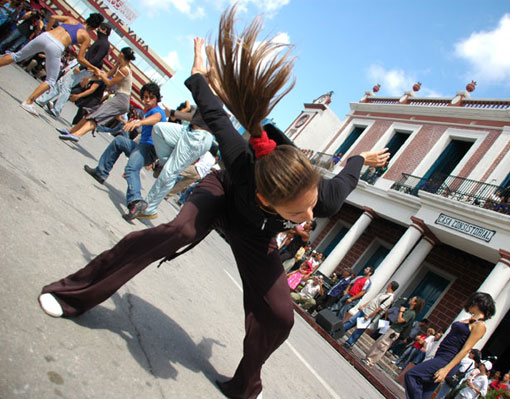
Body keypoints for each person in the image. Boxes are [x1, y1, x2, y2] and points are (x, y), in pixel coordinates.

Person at [37, 7, 390, 399]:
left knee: (280, 315)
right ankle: (73, 293)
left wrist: (363, 158)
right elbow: (213, 111)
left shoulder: (321, 199)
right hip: (221, 195)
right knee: (179, 229)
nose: (309, 219)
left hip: (257, 236)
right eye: (298, 213)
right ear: (266, 196)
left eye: (309, 208)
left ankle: (244, 386)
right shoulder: (240, 160)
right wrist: (198, 71)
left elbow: (345, 178)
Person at [81, 82, 166, 220]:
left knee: (131, 169)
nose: (148, 100)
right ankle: (100, 172)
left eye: (151, 97)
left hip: (149, 149)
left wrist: (138, 122)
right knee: (119, 141)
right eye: (145, 97)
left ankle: (136, 201)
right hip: (141, 147)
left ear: (156, 98)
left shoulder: (157, 112)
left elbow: (155, 119)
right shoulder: (147, 111)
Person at [0, 12, 104, 115]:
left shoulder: (72, 20)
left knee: (16, 56)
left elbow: (53, 17)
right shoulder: (85, 36)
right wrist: (94, 68)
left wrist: (48, 29)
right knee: (51, 80)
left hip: (46, 36)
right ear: (94, 28)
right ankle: (28, 102)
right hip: (57, 46)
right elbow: (81, 59)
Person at [403, 292, 496, 399]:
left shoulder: (480, 325)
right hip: (440, 356)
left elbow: (465, 350)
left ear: (478, 303)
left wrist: (446, 369)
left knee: (411, 375)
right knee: (425, 391)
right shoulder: (470, 320)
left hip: (447, 359)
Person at [135, 100, 214, 219]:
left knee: (169, 173)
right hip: (188, 131)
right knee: (158, 128)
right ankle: (166, 165)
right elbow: (193, 117)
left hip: (198, 138)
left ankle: (149, 209)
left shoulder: (213, 99)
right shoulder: (207, 97)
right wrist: (172, 112)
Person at [58, 47, 135, 143]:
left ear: (122, 55)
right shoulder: (120, 67)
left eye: (119, 54)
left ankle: (77, 135)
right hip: (119, 99)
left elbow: (109, 83)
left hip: (121, 99)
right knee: (91, 113)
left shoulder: (125, 69)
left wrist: (100, 74)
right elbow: (107, 75)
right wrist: (92, 77)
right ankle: (71, 130)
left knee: (97, 117)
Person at [37, 21, 111, 118]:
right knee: (61, 82)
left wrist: (81, 67)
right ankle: (43, 100)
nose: (97, 30)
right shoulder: (102, 42)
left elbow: (96, 59)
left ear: (104, 30)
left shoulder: (103, 43)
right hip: (85, 67)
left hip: (84, 68)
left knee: (66, 86)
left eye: (100, 28)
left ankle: (56, 109)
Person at [342, 281, 398, 349]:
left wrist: (369, 316)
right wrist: (363, 306)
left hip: (369, 314)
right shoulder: (383, 293)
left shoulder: (390, 298)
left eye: (389, 284)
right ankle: (340, 330)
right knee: (351, 321)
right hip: (364, 310)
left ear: (391, 285)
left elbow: (379, 309)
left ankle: (349, 342)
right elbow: (372, 300)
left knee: (359, 329)